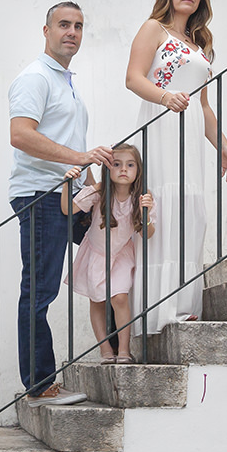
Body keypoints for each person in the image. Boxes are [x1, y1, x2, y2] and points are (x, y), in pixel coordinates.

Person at [124, 0, 227, 333]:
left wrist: (224, 146)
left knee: (193, 214)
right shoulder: (153, 29)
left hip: (189, 135)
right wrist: (165, 97)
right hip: (160, 129)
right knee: (164, 212)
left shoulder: (200, 44)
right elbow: (133, 78)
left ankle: (184, 306)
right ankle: (158, 313)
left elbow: (202, 106)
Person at [9, 2, 113, 402]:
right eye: (64, 25)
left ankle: (117, 345)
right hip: (42, 197)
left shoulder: (65, 81)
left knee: (118, 245)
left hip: (69, 195)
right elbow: (20, 135)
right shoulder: (35, 78)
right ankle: (39, 384)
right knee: (39, 291)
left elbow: (73, 144)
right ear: (46, 30)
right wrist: (80, 159)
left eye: (79, 26)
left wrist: (96, 190)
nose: (72, 32)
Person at [63, 143, 155, 364]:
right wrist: (68, 183)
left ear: (138, 170)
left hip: (122, 253)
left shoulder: (142, 196)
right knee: (97, 300)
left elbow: (148, 234)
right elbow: (68, 209)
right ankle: (105, 349)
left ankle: (124, 349)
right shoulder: (100, 190)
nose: (124, 169)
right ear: (108, 167)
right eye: (117, 164)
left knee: (120, 297)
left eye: (130, 165)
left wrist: (146, 213)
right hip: (95, 252)